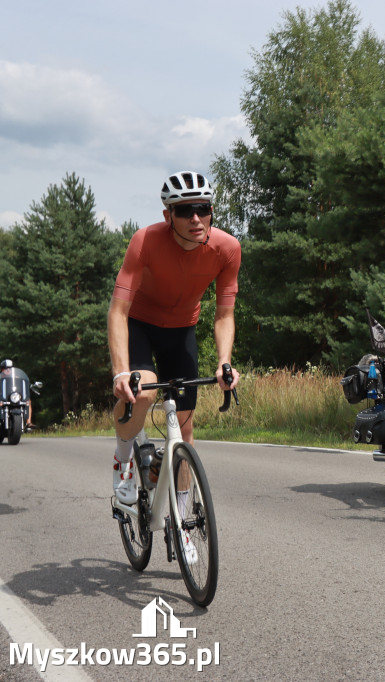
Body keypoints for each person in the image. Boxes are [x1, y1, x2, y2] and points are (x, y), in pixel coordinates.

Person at [108, 171, 241, 560]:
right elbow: (118, 311)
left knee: (183, 429)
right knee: (143, 387)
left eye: (202, 209)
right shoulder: (145, 241)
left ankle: (182, 522)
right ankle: (122, 456)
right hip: (140, 325)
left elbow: (224, 315)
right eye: (185, 211)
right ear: (168, 216)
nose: (195, 218)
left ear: (211, 211)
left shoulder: (227, 248)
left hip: (183, 328)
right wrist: (120, 372)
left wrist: (224, 362)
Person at [0, 359, 34, 429]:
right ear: (2, 369)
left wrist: (29, 386)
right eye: (5, 368)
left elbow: (22, 384)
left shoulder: (17, 377)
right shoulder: (0, 378)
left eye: (10, 368)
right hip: (2, 398)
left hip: (14, 397)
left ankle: (28, 422)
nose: (8, 370)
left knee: (28, 401)